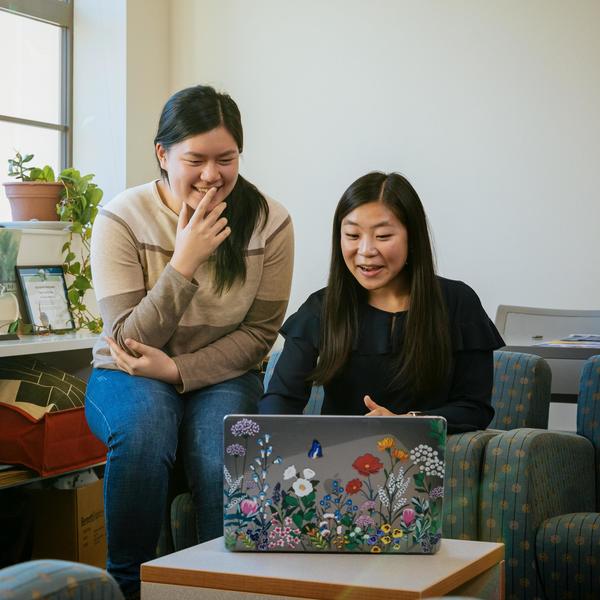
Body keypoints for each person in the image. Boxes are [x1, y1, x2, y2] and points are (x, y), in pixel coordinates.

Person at [86, 85, 294, 598]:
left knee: (216, 449)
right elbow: (128, 341)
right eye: (195, 159)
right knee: (144, 430)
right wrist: (184, 261)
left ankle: (219, 586)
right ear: (162, 153)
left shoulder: (271, 221)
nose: (211, 175)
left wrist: (178, 372)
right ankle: (127, 585)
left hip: (221, 375)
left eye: (226, 159)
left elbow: (259, 336)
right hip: (126, 373)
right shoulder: (121, 218)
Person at [260, 171, 503, 432]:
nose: (365, 251)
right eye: (353, 236)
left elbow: (474, 407)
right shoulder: (322, 307)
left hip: (426, 461)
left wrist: (407, 422)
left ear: (413, 237)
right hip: (334, 464)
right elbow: (281, 400)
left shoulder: (458, 303)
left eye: (383, 236)